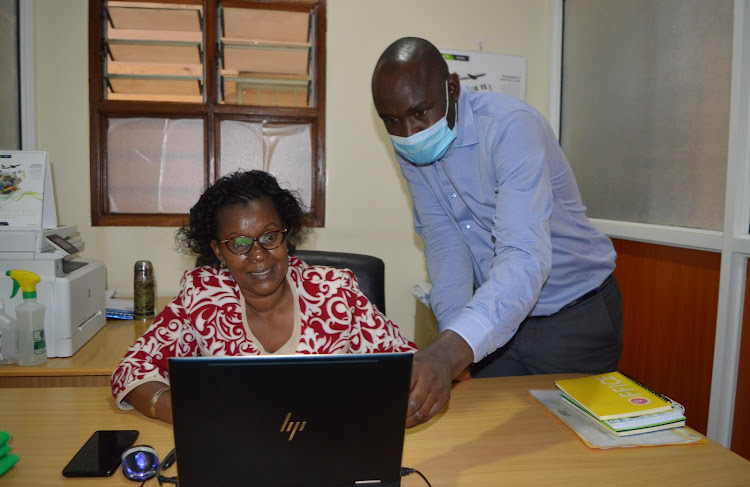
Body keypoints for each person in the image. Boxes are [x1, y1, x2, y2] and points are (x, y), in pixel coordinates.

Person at [371, 37, 623, 427]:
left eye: (419, 112)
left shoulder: (511, 127)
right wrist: (454, 337)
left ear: (452, 88)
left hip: (573, 316)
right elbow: (443, 239)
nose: (408, 132)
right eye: (392, 120)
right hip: (497, 317)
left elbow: (524, 255)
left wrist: (449, 351)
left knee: (568, 454)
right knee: (481, 434)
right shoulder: (411, 145)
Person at [111, 170, 416, 423]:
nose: (258, 255)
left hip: (330, 446)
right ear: (218, 251)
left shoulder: (335, 291)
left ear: (286, 236)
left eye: (269, 237)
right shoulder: (202, 295)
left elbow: (406, 365)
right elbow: (131, 370)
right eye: (239, 243)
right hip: (236, 453)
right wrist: (195, 416)